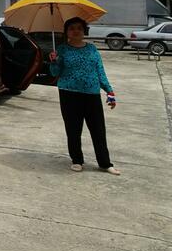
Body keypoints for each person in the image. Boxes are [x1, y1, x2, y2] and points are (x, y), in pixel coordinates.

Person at [49, 17, 120, 175]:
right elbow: (54, 73)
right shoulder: (61, 50)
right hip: (68, 94)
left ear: (84, 31)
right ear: (66, 32)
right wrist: (54, 62)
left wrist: (109, 91)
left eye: (79, 28)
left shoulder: (92, 49)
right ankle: (77, 160)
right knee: (73, 129)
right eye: (72, 28)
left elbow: (100, 71)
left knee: (98, 130)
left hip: (91, 94)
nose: (76, 31)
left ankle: (105, 163)